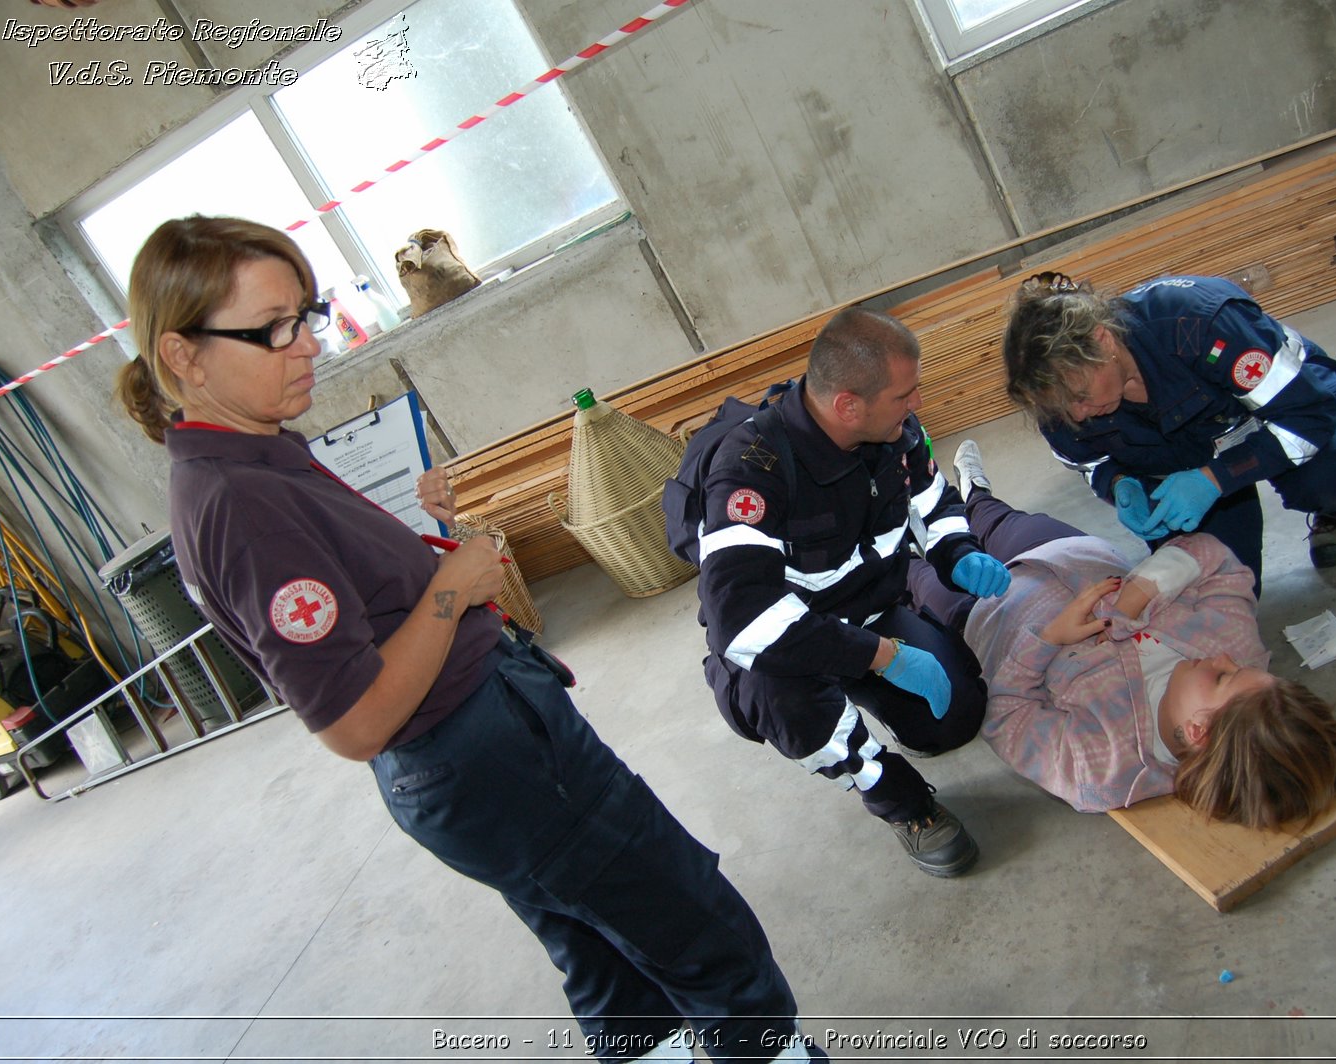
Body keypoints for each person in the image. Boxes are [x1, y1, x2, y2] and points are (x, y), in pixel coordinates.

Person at [118, 215, 824, 1064]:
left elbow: (354, 602)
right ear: (182, 356)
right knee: (698, 929)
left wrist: (422, 545)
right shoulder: (239, 503)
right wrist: (453, 591)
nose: (305, 343)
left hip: (474, 761)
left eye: (304, 313)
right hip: (485, 756)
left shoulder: (256, 454)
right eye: (271, 328)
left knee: (607, 963)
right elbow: (352, 722)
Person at [691, 307, 1011, 878]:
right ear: (847, 405)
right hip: (790, 647)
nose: (915, 406)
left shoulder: (895, 434)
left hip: (870, 611)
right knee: (783, 702)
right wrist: (881, 657)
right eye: (903, 395)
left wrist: (959, 555)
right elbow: (742, 623)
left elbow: (934, 504)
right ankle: (898, 799)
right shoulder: (750, 472)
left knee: (955, 720)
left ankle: (864, 682)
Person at [905, 440, 1336, 829]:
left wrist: (1047, 640)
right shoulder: (1238, 652)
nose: (1228, 661)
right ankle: (969, 493)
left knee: (915, 575)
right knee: (994, 519)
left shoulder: (1099, 768)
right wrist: (1140, 592)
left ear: (1197, 730)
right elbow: (1212, 557)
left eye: (1223, 679)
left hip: (985, 619)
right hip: (1065, 554)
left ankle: (902, 532)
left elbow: (1006, 717)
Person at [1001, 272, 1336, 594]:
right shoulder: (1055, 393)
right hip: (1187, 451)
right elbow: (1086, 459)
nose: (1077, 414)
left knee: (1331, 474)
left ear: (1104, 341)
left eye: (1081, 396)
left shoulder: (1200, 326)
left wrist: (1217, 478)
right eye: (1063, 407)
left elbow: (1307, 416)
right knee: (1208, 583)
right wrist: (1117, 484)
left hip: (1278, 411)